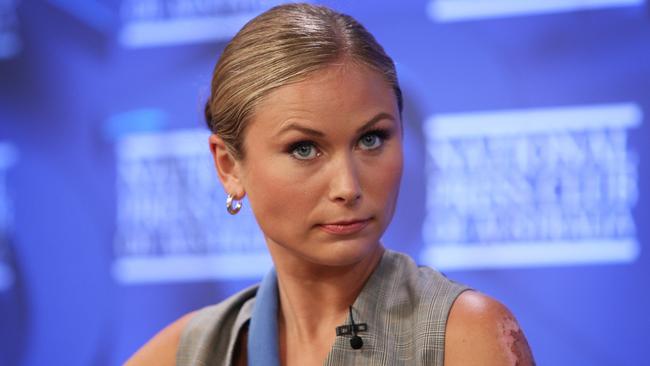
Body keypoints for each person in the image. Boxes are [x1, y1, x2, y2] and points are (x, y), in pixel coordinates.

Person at [125, 3, 535, 366]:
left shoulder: (465, 338)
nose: (348, 186)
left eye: (371, 139)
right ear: (230, 166)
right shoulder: (191, 352)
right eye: (305, 148)